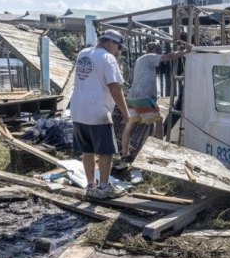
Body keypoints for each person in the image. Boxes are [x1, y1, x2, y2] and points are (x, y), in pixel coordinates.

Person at [70, 29, 130, 199]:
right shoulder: (108, 58)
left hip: (78, 110)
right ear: (110, 43)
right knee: (105, 151)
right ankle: (104, 187)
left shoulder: (83, 53)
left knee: (87, 149)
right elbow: (114, 86)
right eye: (118, 47)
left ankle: (91, 186)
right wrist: (125, 113)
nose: (118, 51)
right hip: (97, 111)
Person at [120, 40, 192, 161]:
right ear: (155, 50)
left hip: (132, 97)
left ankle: (125, 154)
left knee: (130, 125)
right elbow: (170, 56)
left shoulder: (140, 59)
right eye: (159, 52)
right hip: (144, 97)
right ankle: (158, 151)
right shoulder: (150, 57)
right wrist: (186, 51)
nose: (159, 54)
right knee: (158, 121)